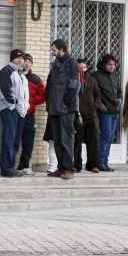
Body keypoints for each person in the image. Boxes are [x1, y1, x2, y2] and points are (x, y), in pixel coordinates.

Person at [46, 39, 80, 180]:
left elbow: (74, 87)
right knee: (58, 140)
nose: (52, 53)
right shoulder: (56, 64)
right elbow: (49, 85)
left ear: (61, 49)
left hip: (65, 109)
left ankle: (69, 169)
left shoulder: (71, 63)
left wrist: (66, 103)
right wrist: (49, 104)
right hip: (54, 109)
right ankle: (61, 168)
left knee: (66, 139)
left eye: (54, 50)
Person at [0, 49, 29, 178]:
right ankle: (6, 167)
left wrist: (24, 106)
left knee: (15, 140)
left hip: (20, 111)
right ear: (12, 59)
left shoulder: (21, 74)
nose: (21, 60)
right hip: (10, 109)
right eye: (18, 58)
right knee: (9, 139)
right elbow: (5, 90)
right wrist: (13, 104)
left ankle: (10, 166)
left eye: (22, 58)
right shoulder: (7, 71)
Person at [91, 54, 122, 172]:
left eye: (114, 65)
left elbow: (119, 90)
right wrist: (100, 105)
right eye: (110, 64)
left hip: (114, 111)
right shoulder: (96, 76)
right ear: (104, 64)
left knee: (110, 137)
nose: (112, 67)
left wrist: (120, 99)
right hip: (104, 112)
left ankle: (105, 161)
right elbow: (92, 93)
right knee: (106, 136)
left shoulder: (114, 76)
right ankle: (100, 162)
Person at [17, 54, 44, 176]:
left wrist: (31, 101)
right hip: (17, 114)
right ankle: (6, 165)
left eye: (29, 62)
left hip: (30, 115)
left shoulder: (36, 79)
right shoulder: (15, 75)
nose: (27, 63)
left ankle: (24, 166)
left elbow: (42, 95)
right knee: (13, 140)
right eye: (25, 61)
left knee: (28, 143)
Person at [73, 59, 101, 173]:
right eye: (80, 67)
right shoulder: (73, 79)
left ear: (87, 68)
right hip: (78, 115)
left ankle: (92, 165)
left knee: (93, 141)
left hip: (91, 115)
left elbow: (98, 95)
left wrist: (94, 106)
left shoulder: (92, 80)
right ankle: (76, 165)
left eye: (84, 67)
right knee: (77, 142)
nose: (82, 69)